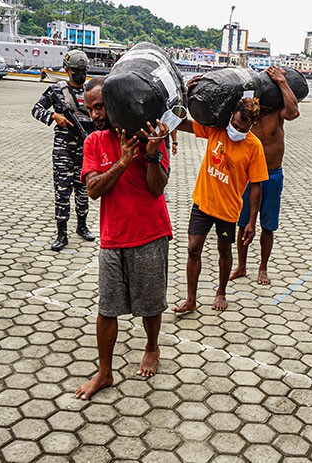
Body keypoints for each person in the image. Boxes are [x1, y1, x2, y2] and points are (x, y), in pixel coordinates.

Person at [75, 77, 172, 400]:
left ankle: (152, 347)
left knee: (150, 303)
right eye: (89, 108)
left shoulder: (152, 135)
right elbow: (92, 190)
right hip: (112, 237)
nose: (95, 114)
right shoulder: (94, 142)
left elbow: (157, 188)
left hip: (150, 232)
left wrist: (152, 153)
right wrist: (122, 161)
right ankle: (104, 371)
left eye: (100, 106)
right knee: (107, 308)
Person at [172, 92, 268, 313]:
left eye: (244, 129)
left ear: (252, 125)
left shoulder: (254, 147)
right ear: (231, 115)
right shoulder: (216, 129)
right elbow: (186, 124)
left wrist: (252, 221)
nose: (238, 131)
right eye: (235, 125)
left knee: (224, 251)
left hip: (228, 210)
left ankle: (221, 292)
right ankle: (190, 299)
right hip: (202, 203)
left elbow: (256, 185)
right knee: (193, 249)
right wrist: (185, 98)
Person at [230, 66, 300, 285]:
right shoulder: (249, 115)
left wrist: (281, 81)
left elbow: (294, 112)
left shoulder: (277, 114)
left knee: (267, 225)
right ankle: (241, 266)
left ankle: (263, 268)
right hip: (248, 176)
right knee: (243, 223)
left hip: (272, 175)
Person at [31, 49, 95, 251]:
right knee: (62, 192)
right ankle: (61, 233)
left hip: (86, 148)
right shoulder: (56, 91)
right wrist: (53, 117)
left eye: (83, 70)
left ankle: (82, 226)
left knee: (83, 190)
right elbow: (36, 109)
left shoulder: (91, 91)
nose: (80, 73)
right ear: (67, 70)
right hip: (64, 149)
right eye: (76, 70)